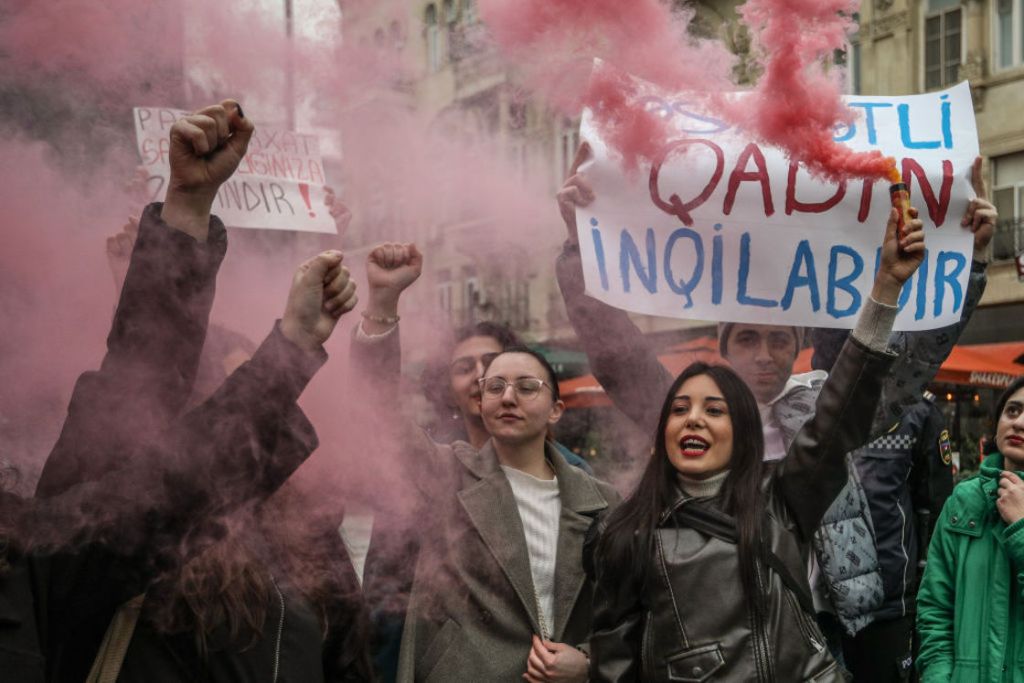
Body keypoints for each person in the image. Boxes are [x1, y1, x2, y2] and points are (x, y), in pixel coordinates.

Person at [556, 144, 995, 672]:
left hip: (825, 631)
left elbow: (904, 368)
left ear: (799, 344)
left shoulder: (824, 413)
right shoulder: (685, 407)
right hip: (717, 645)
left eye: (779, 340)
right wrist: (581, 247)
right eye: (747, 338)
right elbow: (617, 357)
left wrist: (967, 264)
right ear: (722, 347)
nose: (764, 355)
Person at [16, 100, 370, 682]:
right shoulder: (102, 544)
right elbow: (145, 379)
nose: (238, 405)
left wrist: (187, 206)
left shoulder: (306, 536)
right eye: (225, 391)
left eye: (247, 388)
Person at [589, 202, 925, 681]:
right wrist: (577, 246)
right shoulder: (628, 536)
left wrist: (887, 285)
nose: (695, 421)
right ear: (661, 427)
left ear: (743, 430)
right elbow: (614, 664)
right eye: (680, 409)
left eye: (714, 410)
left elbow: (842, 410)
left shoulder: (782, 503)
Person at [350, 249, 620, 682]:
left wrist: (588, 662)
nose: (508, 397)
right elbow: (380, 408)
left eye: (527, 387)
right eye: (494, 386)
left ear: (556, 409)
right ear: (481, 401)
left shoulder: (604, 500)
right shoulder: (446, 475)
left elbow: (628, 613)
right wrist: (383, 303)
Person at [915, 374, 1024, 682]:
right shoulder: (965, 500)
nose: (1018, 422)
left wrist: (1021, 528)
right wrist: (938, 677)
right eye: (1012, 411)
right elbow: (935, 607)